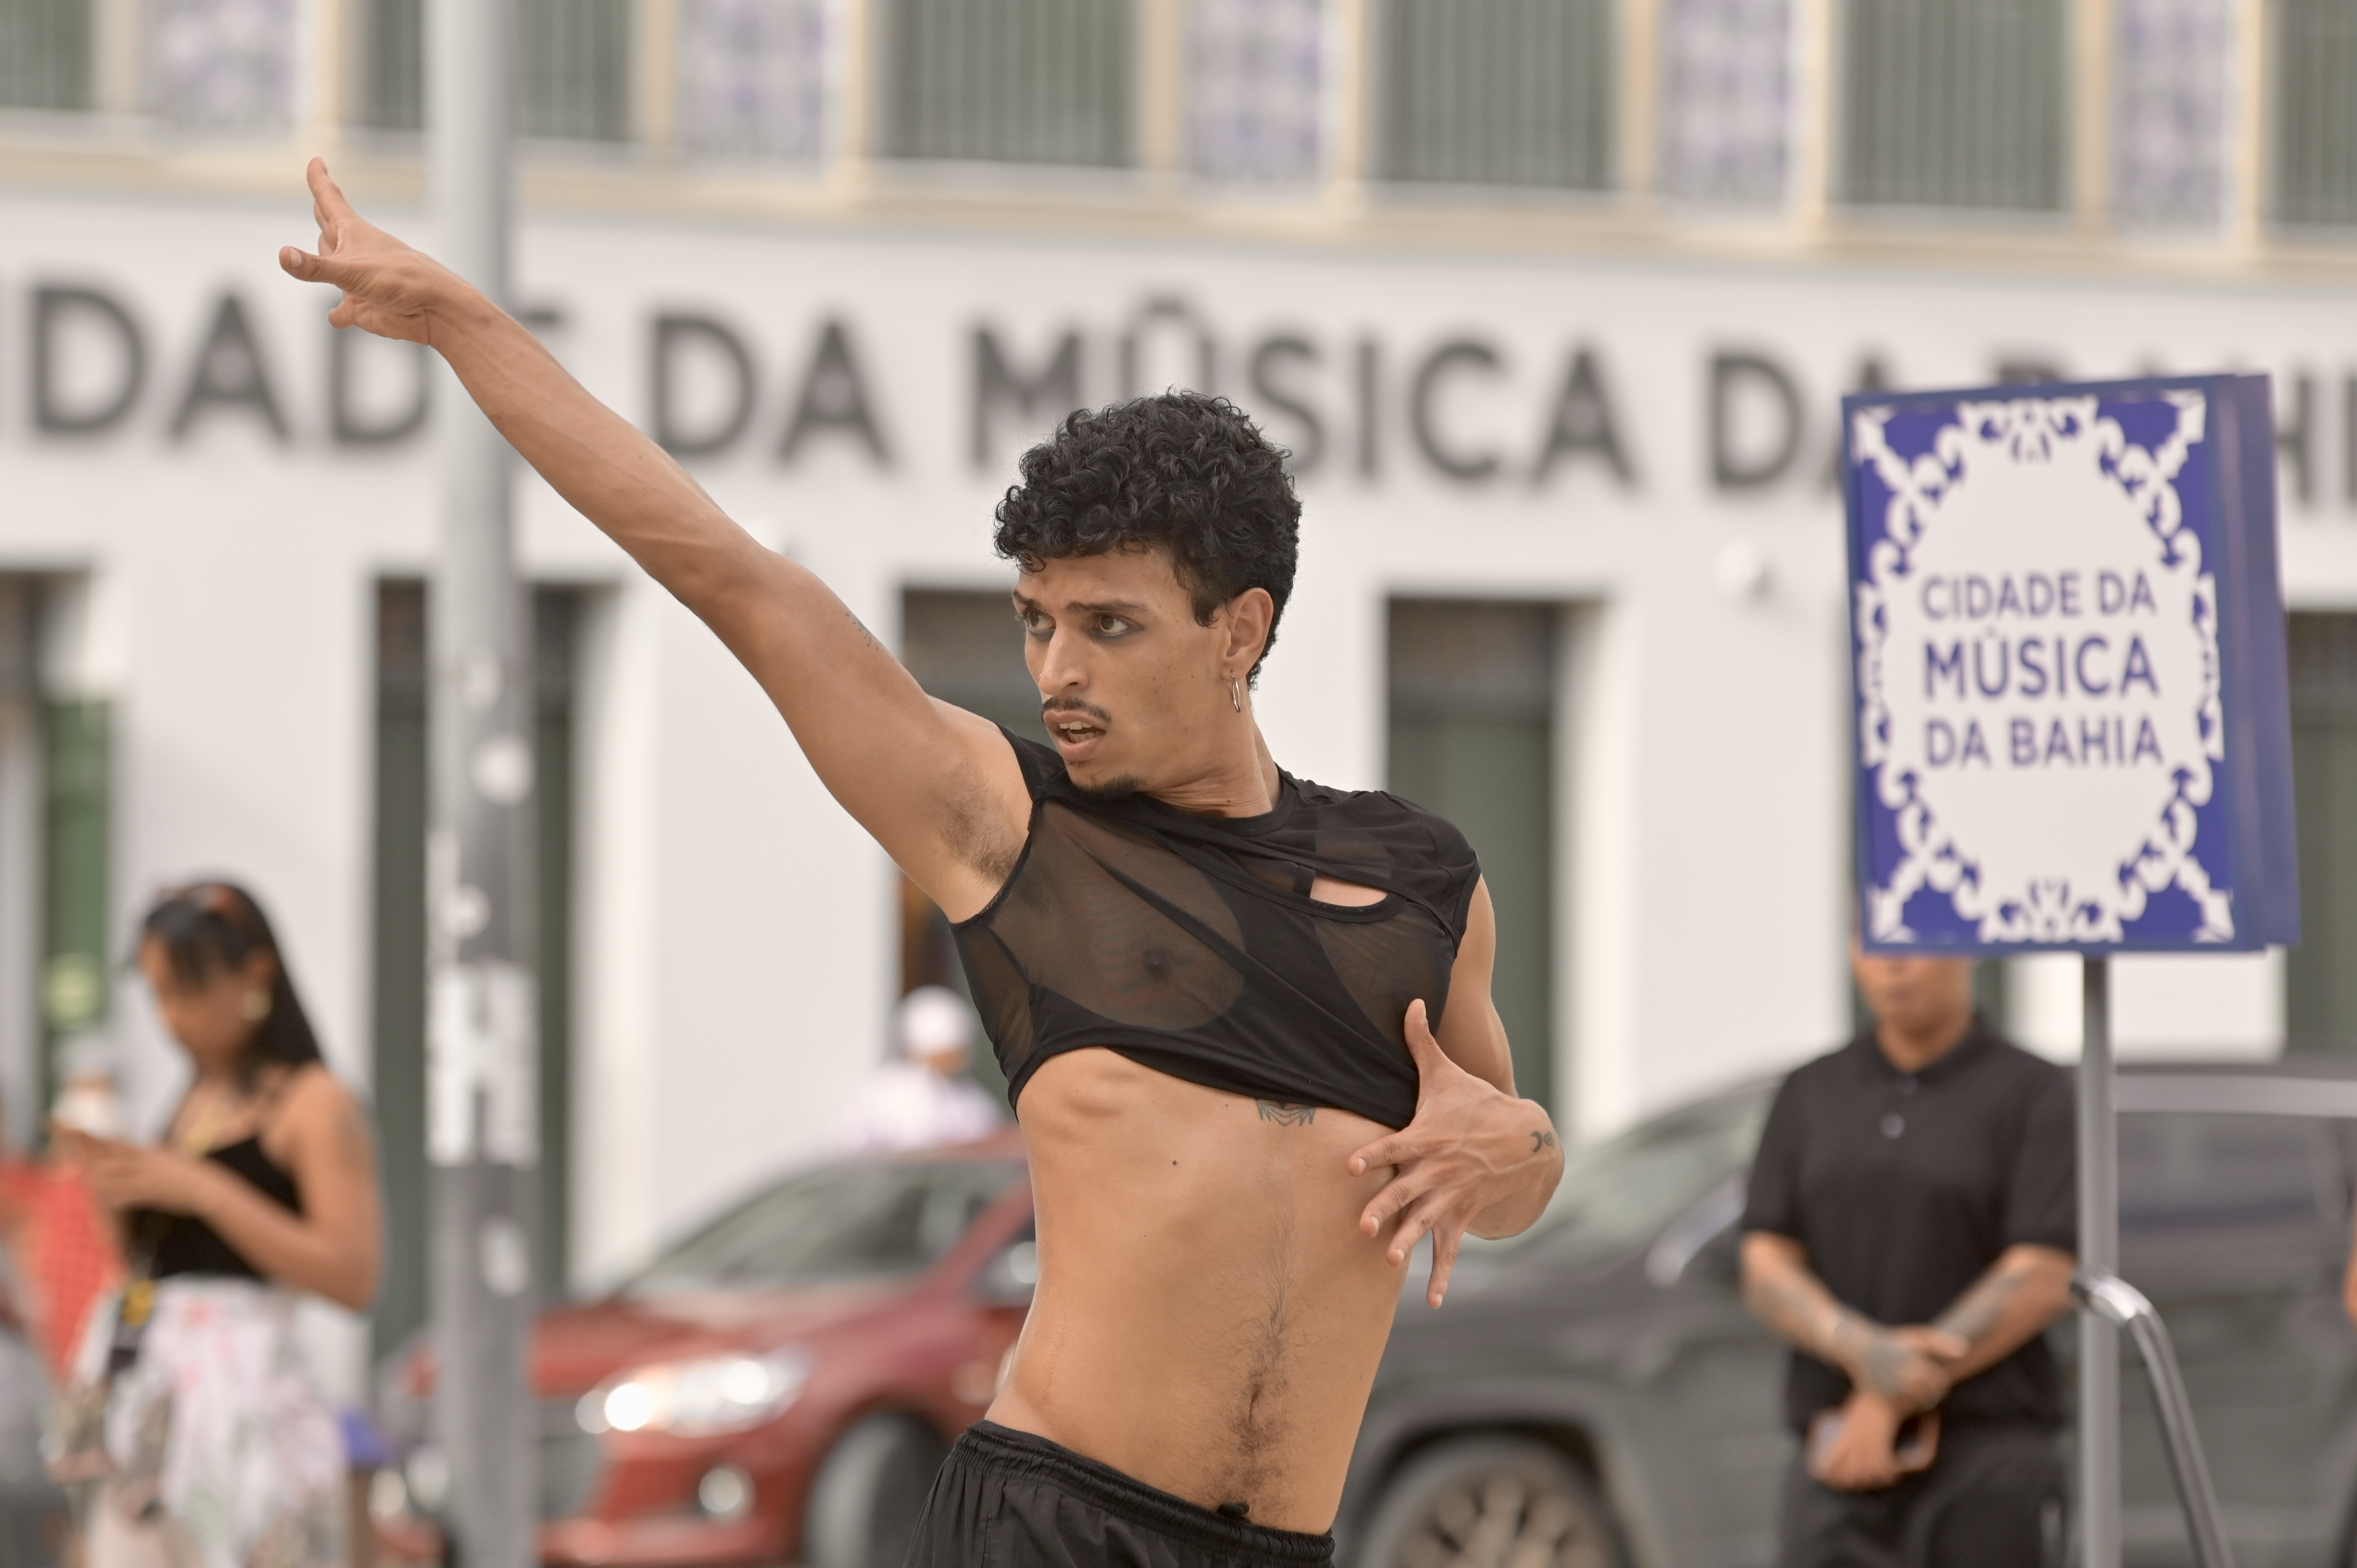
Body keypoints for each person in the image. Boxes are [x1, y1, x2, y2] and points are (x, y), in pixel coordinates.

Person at [281, 160, 1564, 1567]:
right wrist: (470, 326)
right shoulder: (1013, 828)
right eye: (1035, 621)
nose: (1055, 671)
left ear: (1239, 629)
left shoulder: (1417, 881)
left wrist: (1523, 1143)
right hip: (1048, 1522)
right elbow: (730, 575)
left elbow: (1492, 1186)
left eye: (1108, 626)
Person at [50, 882, 383, 1568]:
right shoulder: (192, 1099)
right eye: (157, 993)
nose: (170, 1016)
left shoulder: (313, 1101)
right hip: (151, 1408)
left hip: (246, 1405)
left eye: (186, 989)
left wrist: (207, 1190)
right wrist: (116, 1188)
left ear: (255, 972)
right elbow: (150, 1270)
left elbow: (354, 1276)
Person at [1739, 946, 2077, 1568]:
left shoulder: (2033, 1091)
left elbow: (2043, 1273)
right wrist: (1857, 1347)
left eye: (1912, 944)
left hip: (1988, 1457)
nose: (1892, 965)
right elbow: (1765, 1258)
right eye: (1873, 943)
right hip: (1837, 1456)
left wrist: (1889, 1397)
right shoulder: (1811, 1092)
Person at [835, 986, 1007, 1155]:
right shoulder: (879, 1094)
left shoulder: (973, 1101)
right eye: (947, 1050)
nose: (957, 1057)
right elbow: (846, 1151)